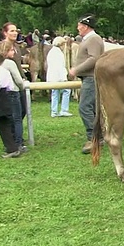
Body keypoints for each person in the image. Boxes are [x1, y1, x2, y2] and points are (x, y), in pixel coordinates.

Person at [69, 14, 104, 154]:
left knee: (85, 108)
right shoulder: (90, 39)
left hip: (90, 78)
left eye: (79, 26)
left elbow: (94, 58)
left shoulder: (93, 39)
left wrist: (76, 69)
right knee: (94, 109)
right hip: (90, 78)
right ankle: (99, 137)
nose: (77, 28)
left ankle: (93, 139)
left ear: (85, 26)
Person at [0, 41, 27, 152]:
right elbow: (18, 80)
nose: (14, 52)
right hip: (13, 92)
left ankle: (10, 142)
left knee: (8, 119)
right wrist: (23, 86)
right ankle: (19, 143)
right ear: (6, 51)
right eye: (12, 50)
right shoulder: (10, 63)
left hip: (2, 94)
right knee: (17, 119)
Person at [47, 36, 73, 118]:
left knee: (55, 93)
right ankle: (64, 110)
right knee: (67, 91)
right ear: (61, 44)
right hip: (59, 77)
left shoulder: (51, 52)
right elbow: (60, 67)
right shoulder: (58, 54)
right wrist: (64, 78)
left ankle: (54, 111)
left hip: (52, 77)